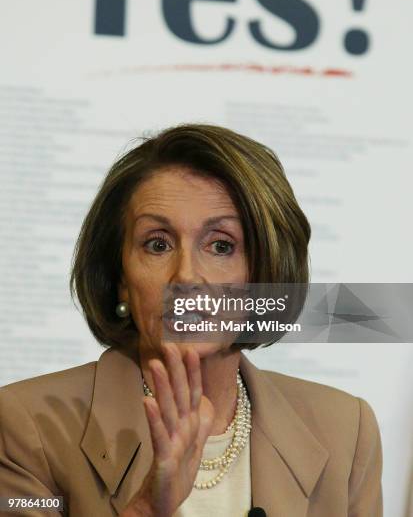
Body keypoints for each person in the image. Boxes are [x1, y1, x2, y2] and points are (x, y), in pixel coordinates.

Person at [0, 123, 382, 517]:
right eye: (157, 244)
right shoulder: (26, 426)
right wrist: (148, 508)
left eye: (221, 245)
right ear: (120, 282)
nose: (186, 277)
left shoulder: (345, 431)